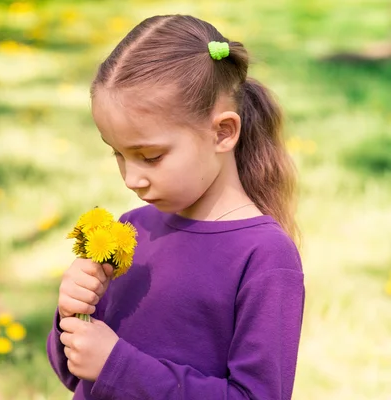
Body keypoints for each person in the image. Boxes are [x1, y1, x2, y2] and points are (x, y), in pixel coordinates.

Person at [47, 14, 305, 400]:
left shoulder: (263, 256)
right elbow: (76, 373)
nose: (131, 179)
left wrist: (117, 365)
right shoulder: (132, 230)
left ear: (222, 132)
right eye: (118, 154)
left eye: (149, 157)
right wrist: (71, 313)